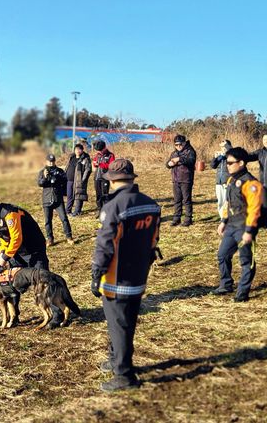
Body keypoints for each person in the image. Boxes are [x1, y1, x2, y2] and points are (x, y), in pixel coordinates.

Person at [91, 159, 161, 392]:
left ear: (111, 180)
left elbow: (105, 245)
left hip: (115, 280)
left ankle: (124, 374)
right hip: (138, 276)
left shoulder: (113, 207)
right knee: (125, 323)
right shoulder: (151, 205)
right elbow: (154, 241)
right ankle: (116, 359)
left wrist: (96, 273)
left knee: (118, 325)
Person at [212, 147, 262, 302]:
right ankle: (226, 284)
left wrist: (249, 231)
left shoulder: (251, 183)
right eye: (226, 162)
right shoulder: (231, 180)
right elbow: (228, 203)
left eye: (230, 163)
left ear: (241, 163)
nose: (227, 165)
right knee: (223, 255)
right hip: (232, 225)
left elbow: (255, 209)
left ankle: (242, 292)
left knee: (246, 260)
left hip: (244, 227)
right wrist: (223, 221)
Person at [0, 194, 50, 270]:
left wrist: (5, 258)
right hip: (18, 252)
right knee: (17, 280)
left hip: (34, 250)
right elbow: (5, 237)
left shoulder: (10, 214)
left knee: (41, 279)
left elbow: (16, 238)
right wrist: (2, 252)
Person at [37, 154, 74, 246]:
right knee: (47, 221)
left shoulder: (59, 171)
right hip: (47, 199)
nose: (51, 163)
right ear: (46, 161)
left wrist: (57, 176)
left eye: (53, 161)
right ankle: (50, 239)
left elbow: (65, 180)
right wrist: (45, 177)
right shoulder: (42, 172)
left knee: (64, 219)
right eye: (49, 161)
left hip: (58, 199)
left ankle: (69, 237)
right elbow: (40, 183)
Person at [165, 134, 197, 226]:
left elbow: (191, 161)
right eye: (176, 145)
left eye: (180, 144)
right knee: (177, 200)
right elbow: (167, 164)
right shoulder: (174, 153)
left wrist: (179, 159)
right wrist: (169, 164)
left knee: (186, 200)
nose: (178, 146)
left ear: (184, 143)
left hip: (186, 179)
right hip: (175, 179)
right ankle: (176, 218)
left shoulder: (190, 151)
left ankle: (188, 219)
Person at [92, 140, 115, 218]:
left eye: (100, 150)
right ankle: (99, 209)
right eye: (98, 150)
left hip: (105, 177)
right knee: (98, 195)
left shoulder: (111, 155)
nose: (99, 151)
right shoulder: (98, 155)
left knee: (105, 194)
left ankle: (105, 211)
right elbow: (95, 163)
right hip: (97, 177)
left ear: (104, 148)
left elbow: (111, 166)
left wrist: (101, 164)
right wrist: (94, 164)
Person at [67, 143, 92, 216]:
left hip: (79, 181)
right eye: (76, 149)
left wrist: (83, 179)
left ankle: (77, 211)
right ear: (74, 150)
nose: (78, 151)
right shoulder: (72, 157)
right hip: (70, 180)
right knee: (69, 196)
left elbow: (88, 169)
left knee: (79, 196)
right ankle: (68, 211)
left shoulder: (85, 158)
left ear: (82, 150)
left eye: (79, 149)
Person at [210, 140, 233, 218]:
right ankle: (222, 218)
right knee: (220, 201)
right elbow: (213, 166)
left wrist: (227, 147)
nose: (223, 149)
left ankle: (229, 217)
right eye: (222, 147)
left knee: (227, 200)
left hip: (227, 181)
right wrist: (215, 158)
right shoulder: (220, 156)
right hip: (219, 182)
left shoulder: (231, 155)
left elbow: (232, 151)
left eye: (224, 147)